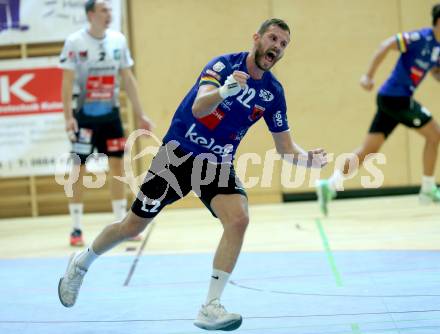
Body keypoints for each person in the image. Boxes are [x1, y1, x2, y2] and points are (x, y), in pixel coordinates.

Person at [58, 18, 327, 331]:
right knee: (132, 226)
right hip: (178, 155)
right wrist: (227, 90)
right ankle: (81, 264)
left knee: (238, 219)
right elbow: (200, 107)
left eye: (283, 44)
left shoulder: (272, 93)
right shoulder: (223, 65)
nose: (276, 47)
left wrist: (307, 160)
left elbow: (285, 148)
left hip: (216, 164)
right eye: (273, 38)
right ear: (256, 38)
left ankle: (210, 306)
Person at [316, 4, 440, 216]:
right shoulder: (419, 37)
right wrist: (368, 76)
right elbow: (386, 45)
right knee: (435, 135)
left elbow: (435, 71)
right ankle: (428, 189)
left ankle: (329, 185)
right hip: (395, 98)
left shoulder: (438, 48)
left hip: (393, 100)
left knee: (368, 150)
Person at [59, 0, 153, 246]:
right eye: (103, 10)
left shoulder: (118, 40)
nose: (108, 14)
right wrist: (68, 116)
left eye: (110, 10)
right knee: (78, 171)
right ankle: (76, 228)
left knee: (118, 169)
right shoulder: (74, 42)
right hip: (85, 118)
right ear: (91, 15)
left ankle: (123, 225)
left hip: (111, 116)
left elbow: (128, 78)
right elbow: (67, 82)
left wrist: (140, 113)